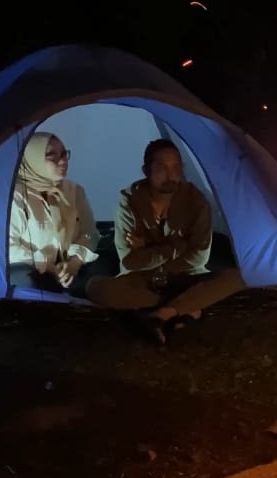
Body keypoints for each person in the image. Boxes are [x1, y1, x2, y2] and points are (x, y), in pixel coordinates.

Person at [86, 139, 245, 343]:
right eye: (161, 167)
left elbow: (198, 257)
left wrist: (148, 251)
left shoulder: (196, 202)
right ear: (146, 170)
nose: (170, 175)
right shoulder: (130, 203)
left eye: (176, 167)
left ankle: (161, 314)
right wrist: (178, 246)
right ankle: (180, 308)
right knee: (96, 287)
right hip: (142, 280)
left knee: (237, 277)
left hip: (184, 276)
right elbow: (130, 261)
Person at [7, 132, 104, 297]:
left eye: (65, 154)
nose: (63, 161)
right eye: (53, 156)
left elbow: (90, 233)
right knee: (25, 280)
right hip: (35, 270)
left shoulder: (74, 191)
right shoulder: (15, 196)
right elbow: (9, 247)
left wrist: (74, 263)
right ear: (34, 160)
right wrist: (48, 266)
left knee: (104, 270)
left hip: (71, 269)